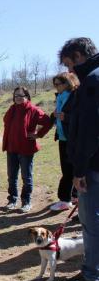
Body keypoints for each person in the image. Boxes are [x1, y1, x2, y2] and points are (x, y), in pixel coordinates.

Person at [57, 37, 99, 281]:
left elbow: (88, 131)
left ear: (78, 56)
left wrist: (80, 170)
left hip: (93, 166)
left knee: (91, 223)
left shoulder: (92, 82)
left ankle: (92, 279)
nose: (69, 72)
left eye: (69, 65)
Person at [2, 86, 52, 213]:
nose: (18, 98)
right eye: (16, 95)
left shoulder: (33, 110)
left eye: (21, 95)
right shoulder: (12, 109)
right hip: (11, 147)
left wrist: (38, 134)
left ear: (27, 96)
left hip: (26, 149)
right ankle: (12, 200)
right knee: (11, 177)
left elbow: (48, 122)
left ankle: (26, 202)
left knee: (26, 177)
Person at [49, 72, 80, 211]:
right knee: (69, 170)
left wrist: (65, 117)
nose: (56, 87)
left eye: (58, 84)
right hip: (63, 138)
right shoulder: (60, 96)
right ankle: (73, 196)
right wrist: (54, 115)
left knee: (69, 171)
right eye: (54, 84)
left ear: (67, 83)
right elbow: (57, 115)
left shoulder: (75, 96)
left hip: (73, 139)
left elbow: (80, 117)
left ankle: (65, 200)